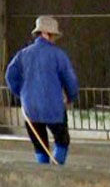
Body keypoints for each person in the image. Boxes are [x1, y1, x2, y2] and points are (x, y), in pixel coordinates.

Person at [5, 15, 80, 165]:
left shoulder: (23, 54)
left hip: (30, 108)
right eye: (53, 36)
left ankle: (43, 172)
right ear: (47, 34)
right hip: (53, 107)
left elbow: (10, 76)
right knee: (62, 141)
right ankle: (55, 170)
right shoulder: (58, 55)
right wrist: (71, 96)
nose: (54, 39)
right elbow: (70, 80)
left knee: (40, 146)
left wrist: (22, 93)